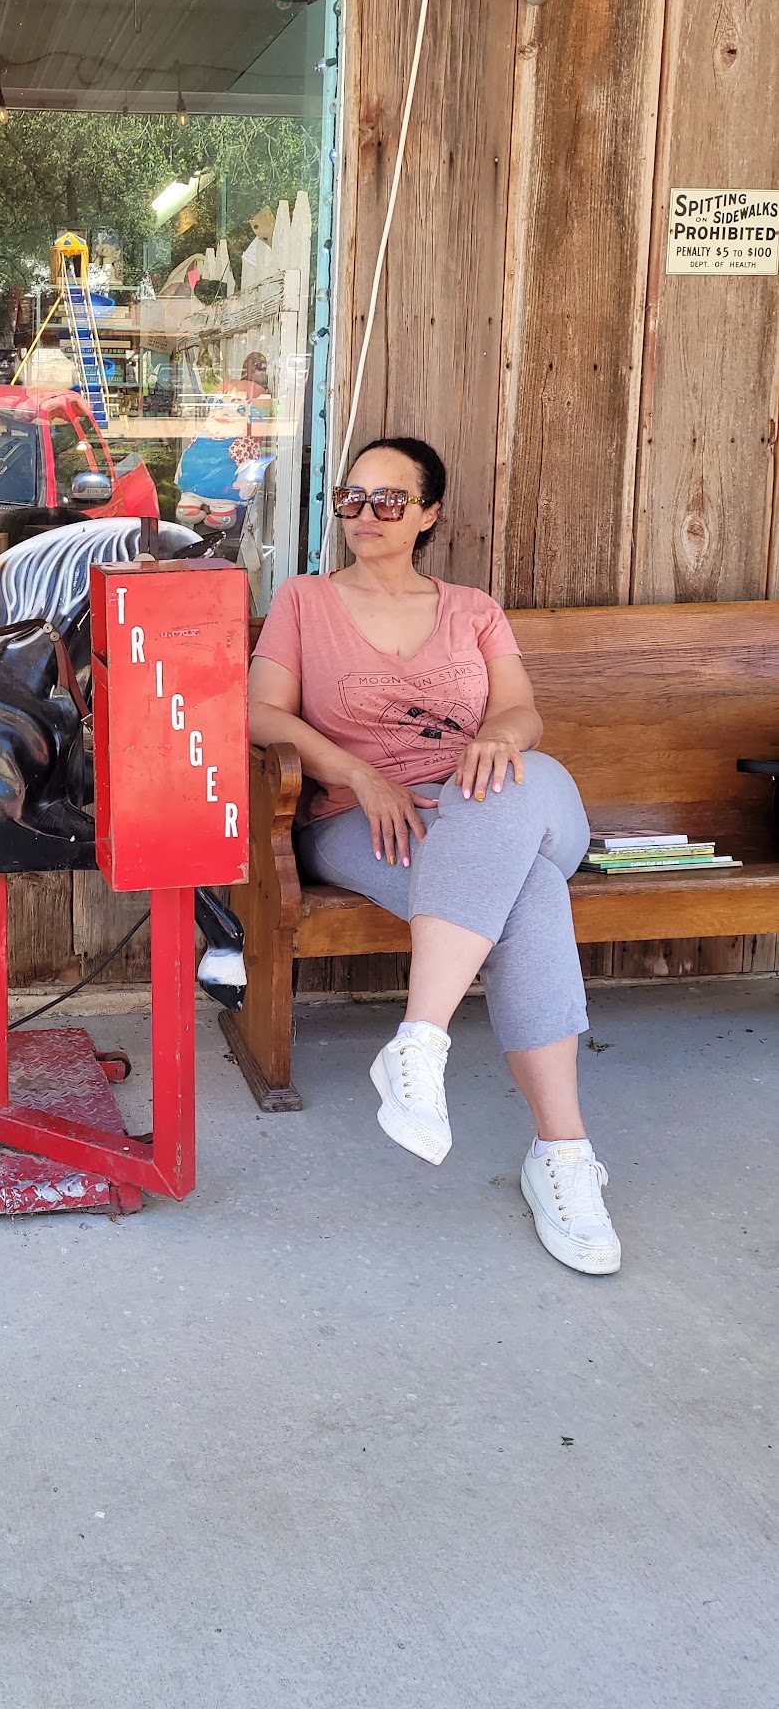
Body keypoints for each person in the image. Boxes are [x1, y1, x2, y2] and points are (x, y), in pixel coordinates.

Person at [247, 436, 620, 1275]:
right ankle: (563, 1156)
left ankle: (420, 1038)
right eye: (352, 497)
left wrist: (495, 739)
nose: (366, 513)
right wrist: (359, 774)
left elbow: (521, 712)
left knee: (513, 781)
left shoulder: (473, 609)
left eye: (389, 499)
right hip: (370, 820)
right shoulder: (305, 600)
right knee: (528, 894)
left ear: (428, 514)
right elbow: (261, 713)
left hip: (497, 798)